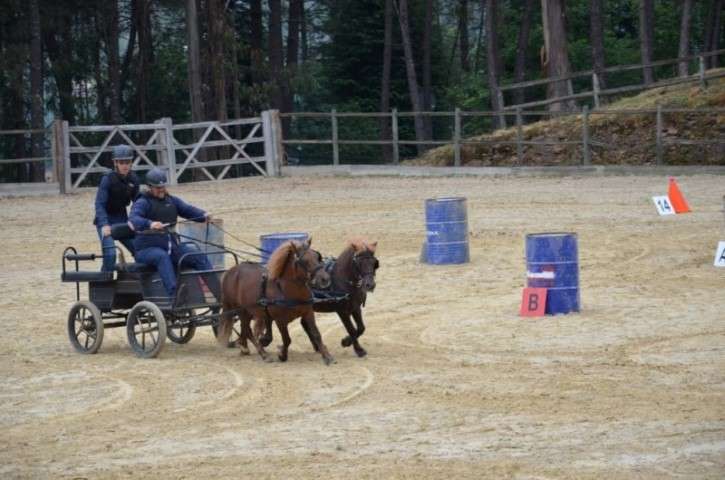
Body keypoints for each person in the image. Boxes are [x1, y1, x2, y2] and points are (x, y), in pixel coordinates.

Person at [129, 167, 221, 302]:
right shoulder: (143, 202)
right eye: (157, 187)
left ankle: (220, 295)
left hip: (171, 247)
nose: (161, 190)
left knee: (198, 256)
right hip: (146, 250)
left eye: (162, 186)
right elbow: (134, 219)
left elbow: (187, 210)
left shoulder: (171, 201)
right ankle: (175, 295)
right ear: (149, 187)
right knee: (162, 257)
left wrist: (203, 215)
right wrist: (150, 224)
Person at [94, 144, 140, 272]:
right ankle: (103, 285)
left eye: (128, 162)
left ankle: (142, 283)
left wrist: (135, 220)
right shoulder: (107, 179)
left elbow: (138, 203)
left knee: (140, 250)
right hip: (106, 220)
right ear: (115, 163)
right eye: (121, 162)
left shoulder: (134, 179)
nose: (125, 165)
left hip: (122, 219)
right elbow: (99, 204)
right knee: (110, 255)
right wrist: (104, 224)